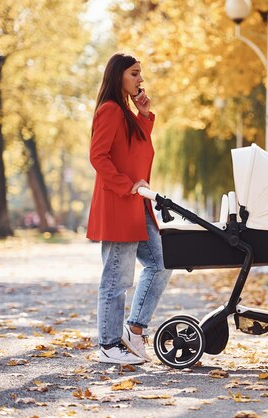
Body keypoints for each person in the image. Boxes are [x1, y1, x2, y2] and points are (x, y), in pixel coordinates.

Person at [87, 53, 172, 365]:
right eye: (135, 74)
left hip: (138, 206)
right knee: (116, 278)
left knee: (162, 261)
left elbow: (138, 151)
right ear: (118, 76)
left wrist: (145, 115)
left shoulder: (127, 113)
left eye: (141, 74)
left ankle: (134, 329)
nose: (140, 80)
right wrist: (127, 186)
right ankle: (109, 345)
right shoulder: (109, 110)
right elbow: (98, 157)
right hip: (119, 205)